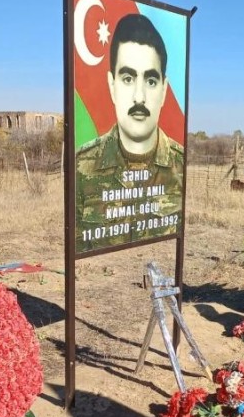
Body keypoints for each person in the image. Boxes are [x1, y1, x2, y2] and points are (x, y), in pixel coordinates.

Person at [76, 13, 184, 253]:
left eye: (151, 81)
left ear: (164, 89)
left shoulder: (181, 165)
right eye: (127, 78)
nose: (139, 97)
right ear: (111, 85)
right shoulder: (81, 167)